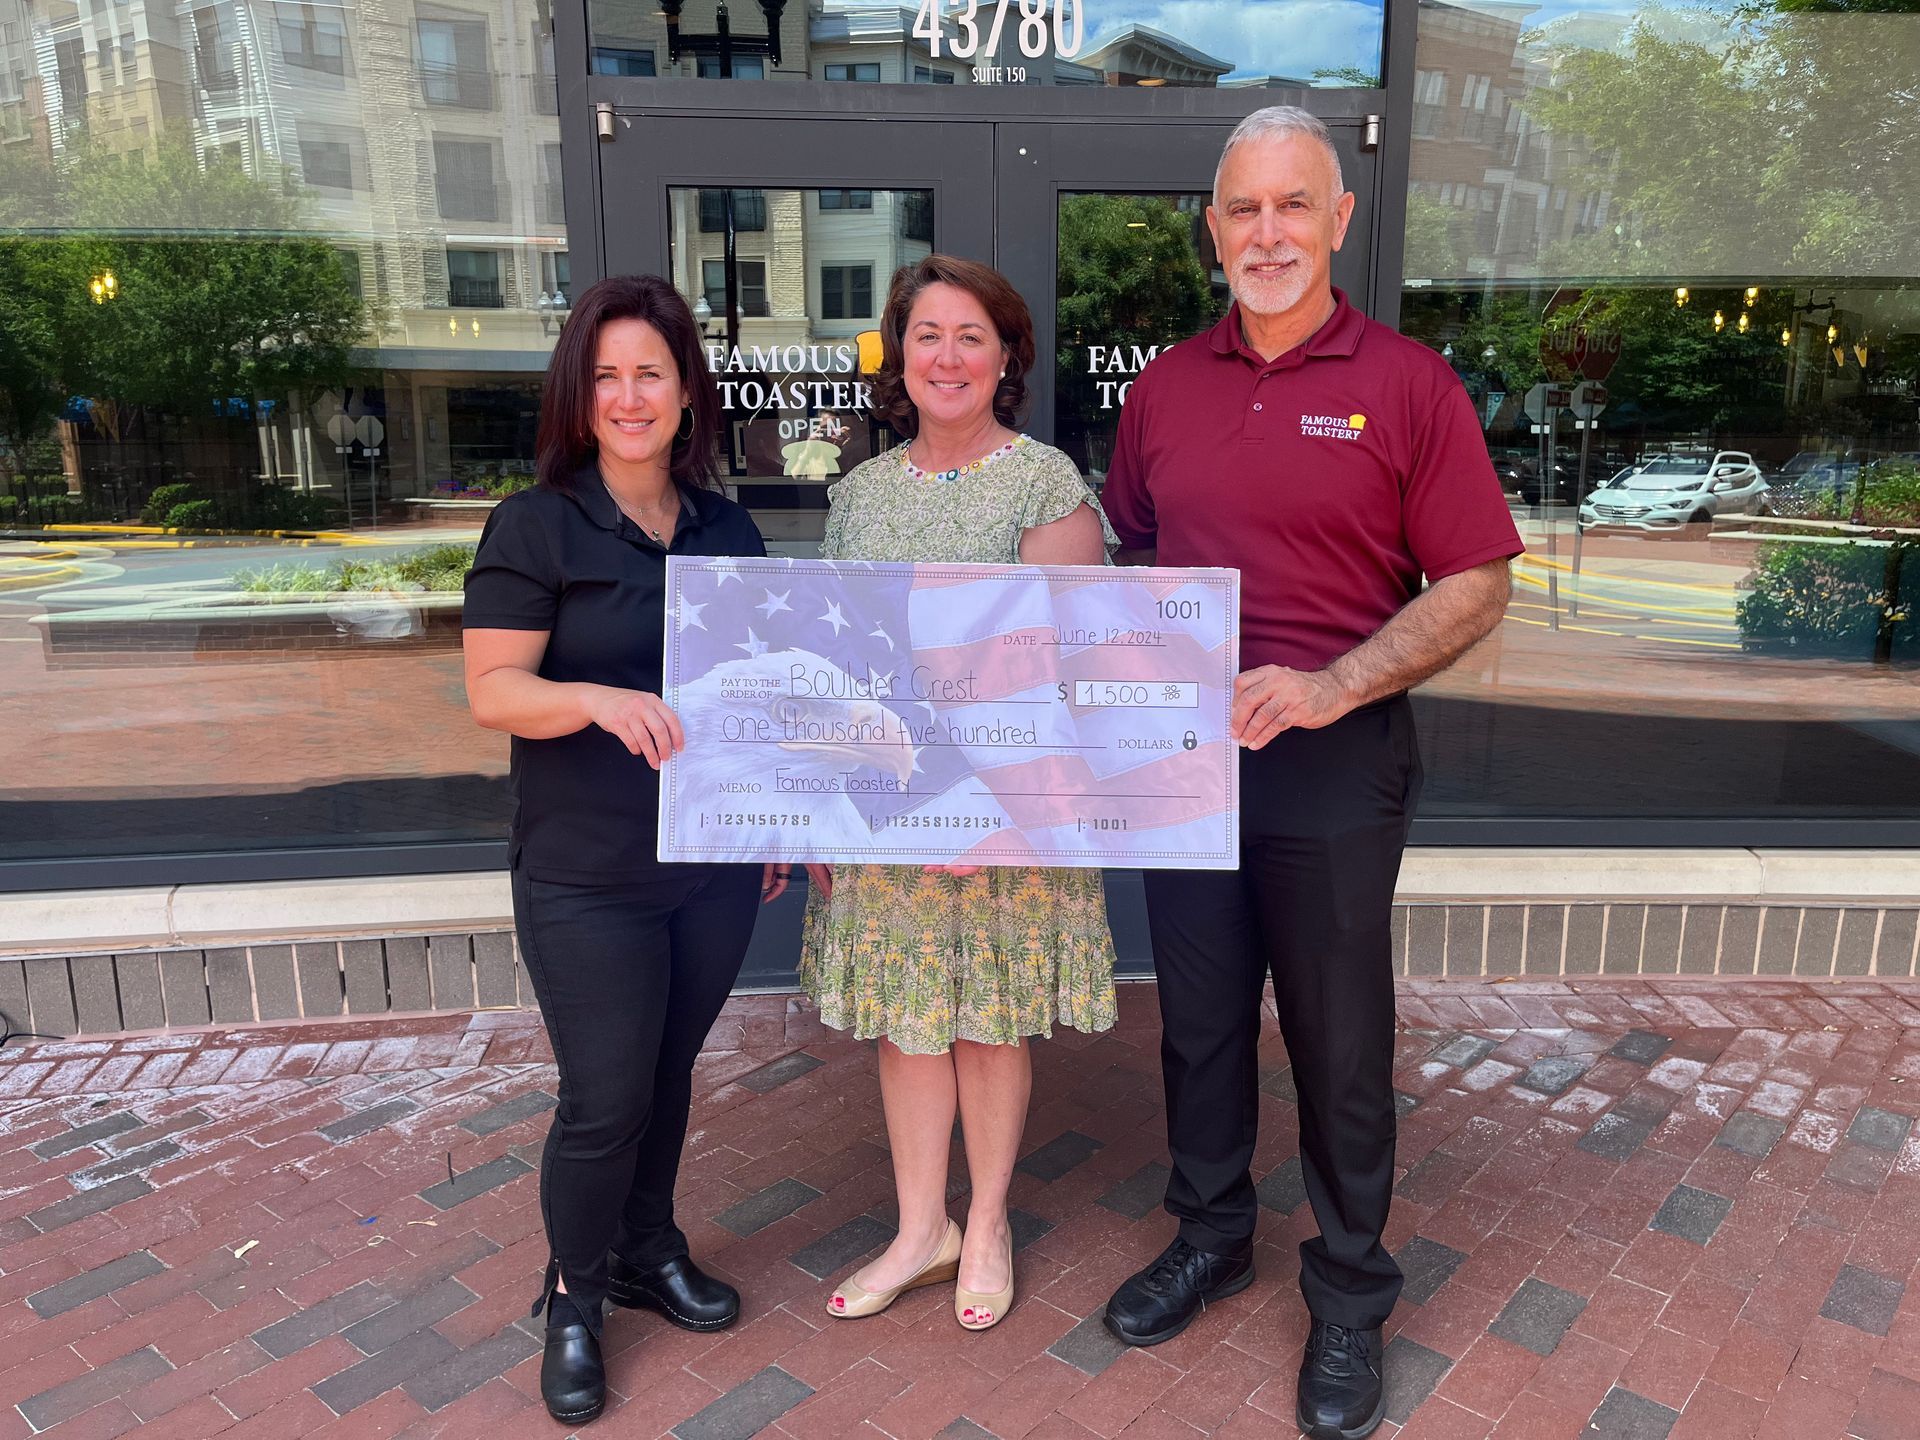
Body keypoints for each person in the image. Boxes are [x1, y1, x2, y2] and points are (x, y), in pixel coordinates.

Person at [1099, 107, 1522, 1440]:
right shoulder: (1165, 386)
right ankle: (1214, 1232)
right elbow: (1133, 558)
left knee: (1339, 1038)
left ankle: (1348, 1294)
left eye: (1293, 206)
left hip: (1337, 759)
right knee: (1202, 1019)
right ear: (1213, 227)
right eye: (1242, 209)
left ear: (1340, 221)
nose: (1266, 232)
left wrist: (1335, 681)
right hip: (1189, 761)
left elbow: (1479, 581)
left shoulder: (1407, 383)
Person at [462, 274, 789, 1426]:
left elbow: (757, 695)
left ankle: (648, 1249)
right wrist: (598, 699)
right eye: (606, 375)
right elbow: (494, 690)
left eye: (650, 370)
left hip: (707, 870)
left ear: (687, 389)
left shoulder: (725, 525)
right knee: (603, 1097)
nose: (629, 394)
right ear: (579, 393)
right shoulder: (539, 522)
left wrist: (770, 815)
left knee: (665, 1072)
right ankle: (572, 1295)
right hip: (585, 873)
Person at [799, 255, 1118, 1333]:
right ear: (899, 354)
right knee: (907, 1023)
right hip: (888, 812)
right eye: (927, 334)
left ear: (1005, 356)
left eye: (970, 335)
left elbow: (1072, 671)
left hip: (1003, 816)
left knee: (986, 1021)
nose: (947, 355)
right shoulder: (860, 494)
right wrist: (820, 806)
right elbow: (837, 668)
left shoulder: (1045, 485)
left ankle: (985, 1224)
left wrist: (991, 803)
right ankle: (917, 1227)